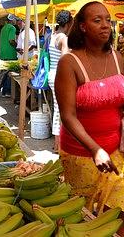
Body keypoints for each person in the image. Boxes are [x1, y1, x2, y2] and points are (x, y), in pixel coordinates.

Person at [55, 2, 124, 237]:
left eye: (107, 19)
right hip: (81, 155)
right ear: (82, 27)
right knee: (87, 222)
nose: (105, 25)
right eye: (97, 20)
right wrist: (95, 149)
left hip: (114, 153)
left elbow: (117, 101)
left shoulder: (116, 57)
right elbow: (67, 116)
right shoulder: (69, 63)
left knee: (117, 219)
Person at [48, 10, 73, 151]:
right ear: (68, 23)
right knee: (61, 110)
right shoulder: (63, 37)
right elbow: (65, 59)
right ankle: (59, 145)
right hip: (59, 76)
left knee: (57, 109)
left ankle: (57, 144)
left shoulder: (53, 35)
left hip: (52, 74)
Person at [0, 14, 18, 97]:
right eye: (15, 19)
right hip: (10, 53)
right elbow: (11, 40)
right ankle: (7, 91)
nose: (16, 21)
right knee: (10, 74)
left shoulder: (3, 28)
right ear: (12, 20)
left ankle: (4, 92)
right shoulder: (12, 28)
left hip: (3, 53)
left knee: (5, 73)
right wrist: (17, 46)